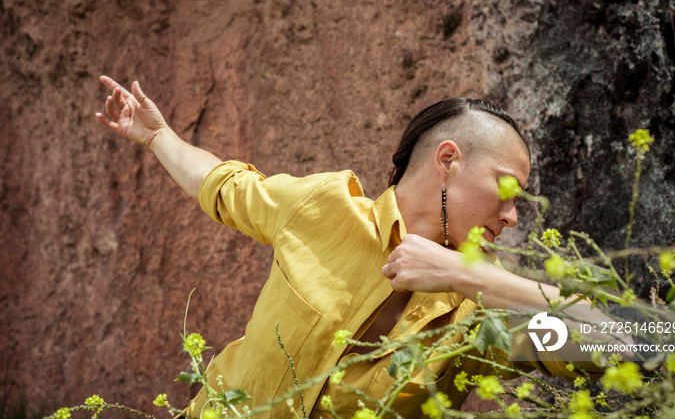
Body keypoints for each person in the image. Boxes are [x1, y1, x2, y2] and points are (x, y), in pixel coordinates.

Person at [96, 76, 602, 418]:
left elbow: (644, 341)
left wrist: (467, 275)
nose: (513, 216)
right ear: (448, 160)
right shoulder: (323, 206)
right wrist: (158, 137)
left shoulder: (479, 319)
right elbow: (222, 185)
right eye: (508, 188)